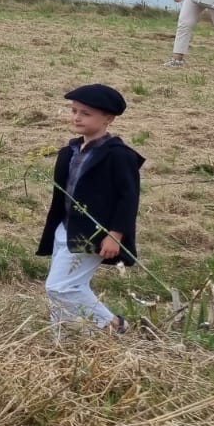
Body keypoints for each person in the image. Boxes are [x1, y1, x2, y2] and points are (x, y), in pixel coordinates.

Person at [37, 84, 143, 335]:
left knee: (60, 288)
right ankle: (63, 340)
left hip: (93, 233)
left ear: (108, 118)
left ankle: (115, 326)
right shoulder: (71, 151)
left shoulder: (119, 156)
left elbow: (128, 199)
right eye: (74, 111)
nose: (76, 117)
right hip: (65, 229)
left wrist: (116, 235)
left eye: (86, 113)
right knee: (68, 288)